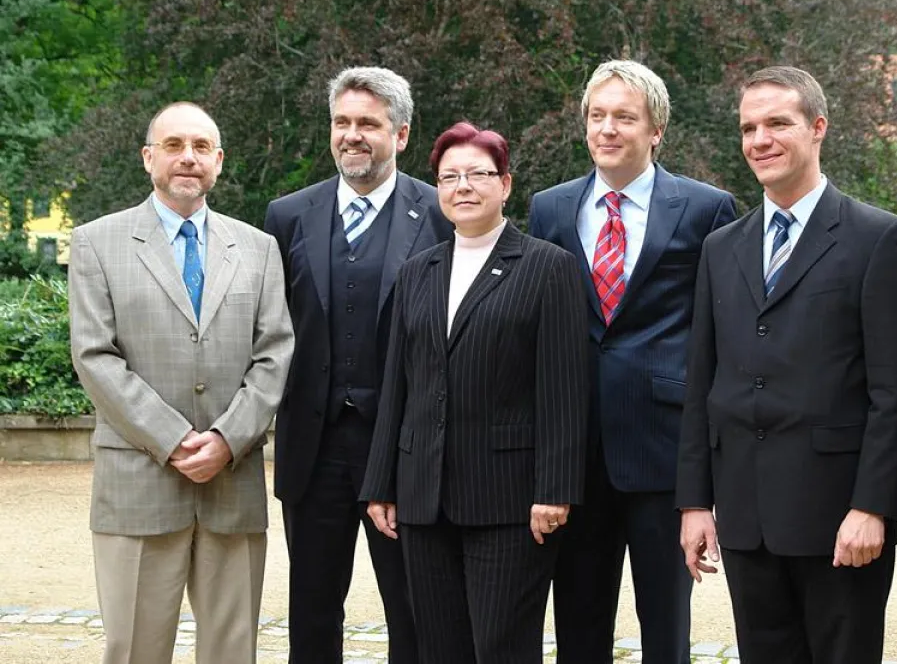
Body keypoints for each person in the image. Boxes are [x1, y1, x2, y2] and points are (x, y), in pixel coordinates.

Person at [676, 66, 897, 663]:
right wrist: (694, 502)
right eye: (748, 128)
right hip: (745, 515)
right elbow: (702, 380)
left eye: (777, 124)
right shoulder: (721, 248)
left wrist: (873, 507)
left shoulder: (879, 239)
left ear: (817, 128)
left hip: (838, 516)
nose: (760, 139)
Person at [68, 102, 295, 664]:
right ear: (149, 159)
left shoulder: (259, 249)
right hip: (139, 484)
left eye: (200, 148)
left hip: (231, 484)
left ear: (218, 161)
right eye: (173, 146)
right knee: (136, 650)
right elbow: (95, 357)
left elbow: (275, 352)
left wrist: (226, 440)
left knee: (232, 651)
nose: (187, 158)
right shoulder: (98, 243)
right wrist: (171, 439)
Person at [528, 59, 736, 663]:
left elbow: (719, 333)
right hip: (576, 452)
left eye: (625, 116)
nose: (608, 128)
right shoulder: (551, 209)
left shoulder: (705, 209)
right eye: (597, 116)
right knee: (578, 622)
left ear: (655, 130)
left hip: (664, 450)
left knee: (665, 629)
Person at [361, 121, 589, 663]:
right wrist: (380, 483)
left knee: (502, 648)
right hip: (423, 497)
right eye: (448, 177)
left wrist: (555, 489)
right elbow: (397, 382)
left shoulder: (546, 267)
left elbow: (563, 387)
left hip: (509, 502)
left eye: (477, 174)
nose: (462, 186)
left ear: (505, 185)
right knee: (439, 649)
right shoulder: (418, 271)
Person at [263, 66, 452, 662]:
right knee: (313, 610)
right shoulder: (288, 215)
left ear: (400, 134)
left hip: (405, 449)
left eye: (368, 123)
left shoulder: (442, 214)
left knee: (413, 610)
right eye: (341, 122)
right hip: (313, 448)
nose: (352, 135)